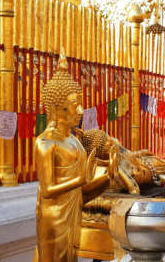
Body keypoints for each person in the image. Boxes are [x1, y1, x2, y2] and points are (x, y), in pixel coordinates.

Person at [33, 50, 116, 262]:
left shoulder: (75, 142)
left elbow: (80, 194)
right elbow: (48, 190)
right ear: (54, 107)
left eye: (80, 103)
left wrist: (108, 176)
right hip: (53, 221)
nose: (80, 110)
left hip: (73, 216)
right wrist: (82, 179)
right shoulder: (45, 143)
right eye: (73, 104)